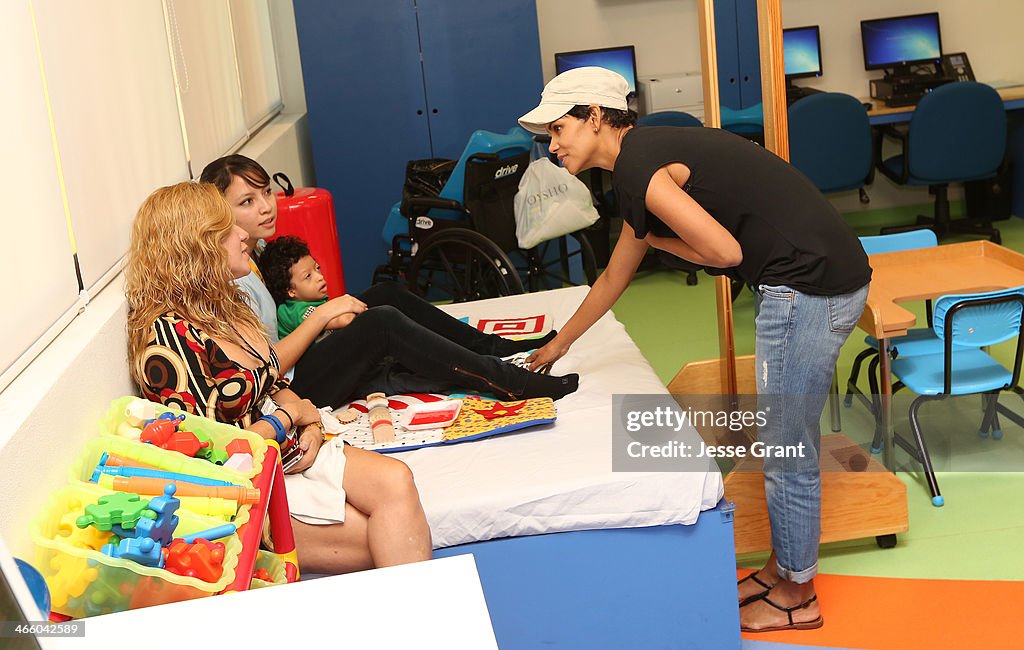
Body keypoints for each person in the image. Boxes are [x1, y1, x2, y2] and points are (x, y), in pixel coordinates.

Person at [517, 67, 871, 633]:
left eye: (559, 129)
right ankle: (784, 568)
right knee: (782, 443)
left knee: (786, 450)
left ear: (598, 116)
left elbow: (725, 253)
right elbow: (614, 276)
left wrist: (659, 239)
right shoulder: (640, 159)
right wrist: (556, 345)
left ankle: (798, 594)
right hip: (819, 277)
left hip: (808, 288)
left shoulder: (638, 167)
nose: (553, 145)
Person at [125, 181, 432, 574]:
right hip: (247, 488)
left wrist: (310, 425)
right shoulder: (165, 340)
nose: (242, 235)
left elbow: (272, 381)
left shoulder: (228, 305)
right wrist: (293, 418)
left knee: (398, 482)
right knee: (381, 536)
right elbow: (206, 455)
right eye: (227, 230)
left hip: (287, 451)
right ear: (197, 248)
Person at [198, 154, 577, 406]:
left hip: (300, 363)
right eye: (246, 202)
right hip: (290, 387)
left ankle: (493, 348)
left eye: (265, 193)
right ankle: (505, 380)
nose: (266, 206)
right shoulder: (233, 278)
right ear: (218, 211)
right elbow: (264, 367)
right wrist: (321, 317)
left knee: (386, 293)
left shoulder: (254, 255)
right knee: (382, 322)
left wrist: (326, 316)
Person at [257, 235, 338, 339]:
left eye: (317, 268)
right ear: (291, 291)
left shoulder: (308, 300)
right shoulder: (295, 311)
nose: (320, 277)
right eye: (308, 276)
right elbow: (340, 320)